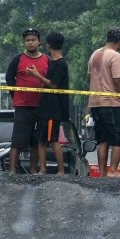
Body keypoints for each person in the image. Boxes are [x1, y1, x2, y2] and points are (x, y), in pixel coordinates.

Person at [87, 27, 120, 177]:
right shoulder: (115, 56)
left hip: (96, 103)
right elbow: (118, 80)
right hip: (112, 103)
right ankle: (113, 170)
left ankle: (102, 173)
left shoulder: (95, 54)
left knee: (103, 139)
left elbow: (89, 77)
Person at [6, 28, 50, 174]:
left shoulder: (46, 59)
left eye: (33, 40)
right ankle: (12, 171)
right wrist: (16, 96)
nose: (30, 43)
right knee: (17, 140)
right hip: (22, 106)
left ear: (39, 42)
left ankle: (33, 171)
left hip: (41, 106)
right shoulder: (17, 59)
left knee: (36, 141)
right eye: (27, 40)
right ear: (24, 42)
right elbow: (9, 79)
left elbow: (51, 81)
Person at [35, 32, 71, 175]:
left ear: (48, 45)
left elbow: (54, 85)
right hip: (44, 107)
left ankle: (60, 170)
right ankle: (42, 169)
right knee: (41, 139)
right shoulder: (51, 63)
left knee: (54, 139)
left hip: (53, 109)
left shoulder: (61, 64)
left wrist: (36, 75)